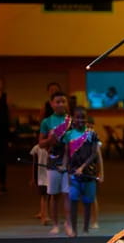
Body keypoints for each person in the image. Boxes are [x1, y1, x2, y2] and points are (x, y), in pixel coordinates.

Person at [39, 91, 73, 236]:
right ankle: (55, 224)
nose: (60, 104)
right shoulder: (46, 122)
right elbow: (40, 143)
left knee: (67, 194)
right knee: (54, 195)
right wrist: (50, 140)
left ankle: (68, 224)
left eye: (63, 101)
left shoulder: (72, 121)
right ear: (52, 104)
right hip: (53, 162)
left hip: (69, 163)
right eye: (57, 102)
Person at [63, 106, 101, 236]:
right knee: (73, 201)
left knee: (87, 202)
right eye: (78, 117)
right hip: (73, 175)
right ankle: (74, 229)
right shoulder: (68, 135)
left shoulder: (92, 134)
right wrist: (64, 166)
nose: (80, 120)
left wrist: (82, 168)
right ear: (73, 118)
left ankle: (85, 229)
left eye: (83, 117)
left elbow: (94, 154)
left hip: (89, 175)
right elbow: (67, 154)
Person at [86, 115, 104, 229]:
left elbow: (99, 159)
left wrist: (101, 173)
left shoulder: (96, 141)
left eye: (91, 127)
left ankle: (95, 220)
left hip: (92, 172)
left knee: (93, 197)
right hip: (81, 172)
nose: (89, 129)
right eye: (87, 126)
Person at [29, 143, 51, 225]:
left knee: (47, 195)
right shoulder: (37, 147)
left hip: (50, 173)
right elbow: (34, 163)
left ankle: (43, 213)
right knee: (44, 195)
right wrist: (33, 177)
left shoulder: (52, 146)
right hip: (41, 175)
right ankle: (44, 215)